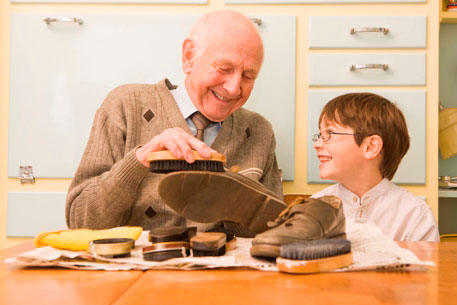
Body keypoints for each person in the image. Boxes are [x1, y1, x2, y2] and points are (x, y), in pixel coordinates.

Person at [65, 10, 284, 236]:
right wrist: (139, 160)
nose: (234, 88)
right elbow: (80, 222)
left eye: (248, 76)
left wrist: (235, 196)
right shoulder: (125, 105)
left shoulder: (259, 132)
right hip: (138, 270)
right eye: (224, 68)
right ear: (189, 57)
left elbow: (277, 232)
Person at [311, 92, 439, 241]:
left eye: (330, 133)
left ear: (371, 147)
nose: (317, 144)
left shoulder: (415, 215)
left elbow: (423, 264)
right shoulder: (314, 209)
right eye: (320, 134)